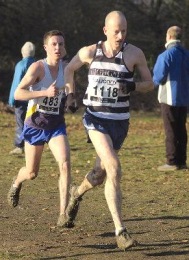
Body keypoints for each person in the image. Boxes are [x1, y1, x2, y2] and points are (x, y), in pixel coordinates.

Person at [63, 11, 153, 250]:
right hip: (95, 119)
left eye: (124, 30)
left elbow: (150, 83)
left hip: (120, 123)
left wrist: (132, 85)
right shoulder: (90, 52)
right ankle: (120, 231)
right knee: (113, 166)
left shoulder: (134, 54)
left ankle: (76, 194)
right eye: (116, 31)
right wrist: (70, 94)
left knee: (100, 173)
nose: (121, 35)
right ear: (105, 31)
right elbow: (69, 69)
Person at [7, 30, 75, 226]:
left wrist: (71, 99)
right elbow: (19, 93)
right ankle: (17, 182)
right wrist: (45, 92)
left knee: (65, 164)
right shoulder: (38, 68)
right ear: (46, 47)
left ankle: (63, 214)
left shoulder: (67, 68)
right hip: (36, 123)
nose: (58, 48)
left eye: (61, 44)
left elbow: (70, 89)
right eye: (54, 44)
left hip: (56, 125)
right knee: (32, 173)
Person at [153, 26, 189, 172]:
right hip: (184, 98)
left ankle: (172, 161)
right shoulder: (186, 54)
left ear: (168, 37)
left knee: (170, 130)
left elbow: (158, 77)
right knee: (181, 129)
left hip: (169, 98)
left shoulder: (166, 55)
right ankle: (182, 161)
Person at [8, 42, 35, 155]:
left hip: (21, 99)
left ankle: (19, 146)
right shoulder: (37, 63)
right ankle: (33, 144)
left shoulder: (20, 64)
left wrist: (12, 99)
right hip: (34, 98)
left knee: (20, 122)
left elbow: (16, 83)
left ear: (22, 52)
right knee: (33, 122)